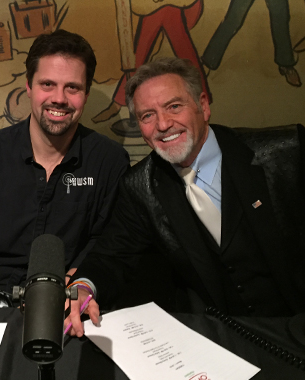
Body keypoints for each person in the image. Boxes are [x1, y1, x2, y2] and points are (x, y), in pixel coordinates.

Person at [66, 57, 305, 337]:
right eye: (147, 116)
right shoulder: (140, 187)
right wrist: (82, 287)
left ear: (203, 106)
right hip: (219, 341)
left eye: (174, 107)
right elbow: (111, 256)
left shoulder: (289, 151)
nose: (163, 124)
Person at [0, 29, 130, 330]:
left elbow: (107, 243)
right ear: (29, 87)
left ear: (85, 94)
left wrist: (80, 286)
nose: (59, 99)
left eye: (72, 88)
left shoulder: (109, 161)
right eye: (48, 84)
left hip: (66, 306)